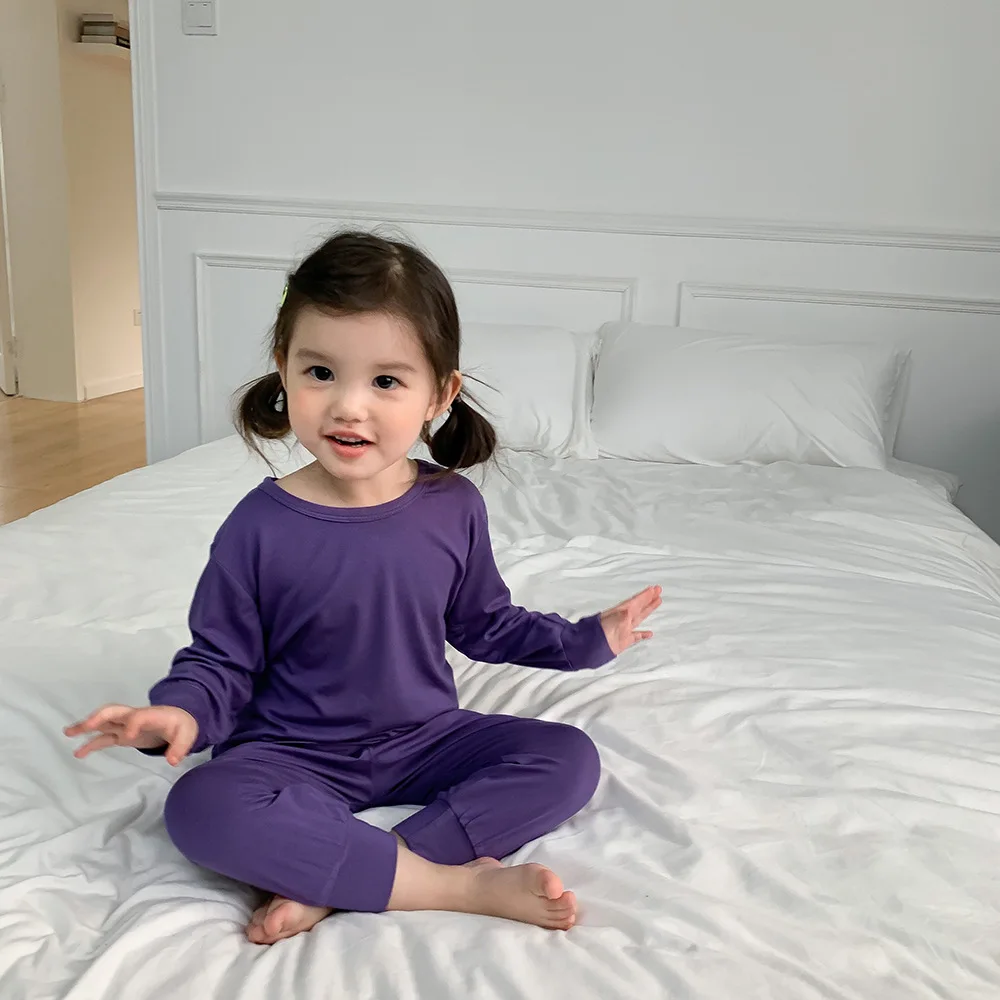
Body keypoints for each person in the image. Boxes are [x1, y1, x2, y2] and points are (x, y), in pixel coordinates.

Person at [64, 231, 661, 945]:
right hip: (289, 753)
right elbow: (220, 658)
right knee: (201, 807)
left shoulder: (452, 507)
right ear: (283, 370)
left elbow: (485, 622)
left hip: (424, 739)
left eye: (385, 381)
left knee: (568, 758)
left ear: (440, 394)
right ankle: (448, 883)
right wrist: (180, 713)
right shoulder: (259, 526)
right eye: (321, 372)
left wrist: (587, 640)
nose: (349, 406)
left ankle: (352, 875)